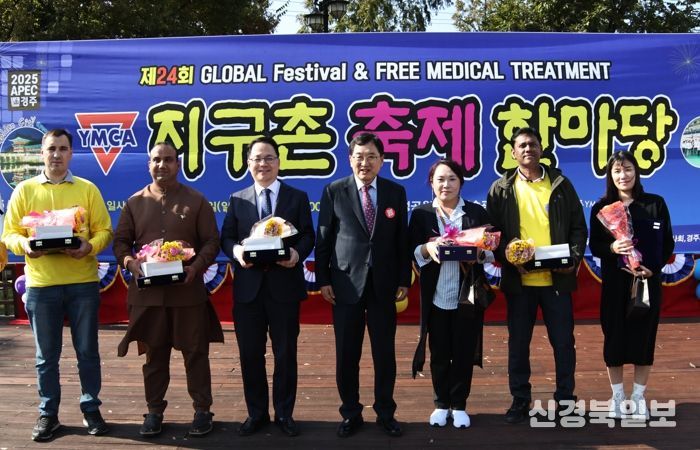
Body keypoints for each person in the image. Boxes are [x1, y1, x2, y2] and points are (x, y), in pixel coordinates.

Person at [2, 128, 113, 441]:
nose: (56, 155)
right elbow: (9, 234)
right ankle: (48, 413)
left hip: (82, 283)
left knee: (87, 352)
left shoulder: (87, 189)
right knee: (46, 357)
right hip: (41, 285)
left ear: (71, 154)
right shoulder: (24, 190)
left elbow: (105, 231)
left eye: (63, 149)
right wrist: (26, 246)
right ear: (42, 153)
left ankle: (91, 408)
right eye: (51, 149)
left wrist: (88, 247)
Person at [113, 142, 223, 438]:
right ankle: (154, 411)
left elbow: (212, 241)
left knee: (196, 353)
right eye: (156, 160)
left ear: (178, 164)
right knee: (154, 356)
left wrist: (195, 267)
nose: (162, 165)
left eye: (168, 160)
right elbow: (121, 242)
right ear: (148, 164)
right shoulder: (134, 202)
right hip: (148, 295)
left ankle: (202, 410)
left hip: (187, 293)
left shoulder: (196, 201)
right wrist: (130, 263)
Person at [486, 127, 588, 423]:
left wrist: (573, 259)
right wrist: (508, 256)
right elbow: (492, 233)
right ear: (513, 153)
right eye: (522, 145)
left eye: (532, 144)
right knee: (519, 344)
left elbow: (578, 228)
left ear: (541, 149)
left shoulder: (560, 185)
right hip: (520, 281)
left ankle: (565, 400)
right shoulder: (501, 188)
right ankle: (520, 399)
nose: (528, 149)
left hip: (557, 279)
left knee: (563, 343)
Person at [315, 132, 411, 438]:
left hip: (383, 284)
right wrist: (323, 279)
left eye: (371, 157)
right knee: (347, 354)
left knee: (384, 353)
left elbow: (402, 239)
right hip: (345, 283)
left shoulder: (395, 192)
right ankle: (350, 412)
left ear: (382, 161)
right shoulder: (334, 191)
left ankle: (385, 412)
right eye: (359, 156)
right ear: (350, 159)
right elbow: (324, 238)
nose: (365, 162)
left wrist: (404, 278)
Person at [220, 136, 315, 437]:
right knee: (250, 354)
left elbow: (308, 235)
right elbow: (227, 238)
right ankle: (256, 413)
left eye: (269, 158)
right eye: (257, 158)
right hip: (248, 289)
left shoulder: (296, 197)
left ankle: (284, 413)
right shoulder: (238, 199)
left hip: (284, 286)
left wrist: (296, 254)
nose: (263, 164)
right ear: (248, 164)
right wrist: (238, 252)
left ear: (278, 162)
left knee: (285, 353)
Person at [409, 159, 495, 429]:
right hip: (436, 295)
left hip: (466, 296)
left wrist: (478, 254)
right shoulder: (422, 214)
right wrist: (429, 248)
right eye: (440, 179)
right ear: (431, 183)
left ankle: (459, 405)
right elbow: (412, 250)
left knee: (463, 351)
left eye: (452, 179)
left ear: (461, 182)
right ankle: (440, 403)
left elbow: (490, 250)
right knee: (438, 352)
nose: (446, 185)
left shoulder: (475, 213)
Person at [589, 151, 674, 421]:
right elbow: (595, 246)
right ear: (610, 176)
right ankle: (617, 397)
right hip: (615, 284)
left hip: (647, 282)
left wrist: (653, 269)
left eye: (627, 169)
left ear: (636, 171)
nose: (623, 175)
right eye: (617, 171)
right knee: (614, 338)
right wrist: (613, 247)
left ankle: (638, 397)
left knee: (644, 339)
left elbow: (668, 243)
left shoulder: (655, 204)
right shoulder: (602, 207)